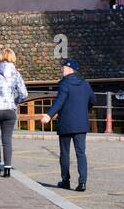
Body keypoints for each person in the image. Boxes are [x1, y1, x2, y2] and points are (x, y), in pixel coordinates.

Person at [40, 58, 94, 191]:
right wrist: (84, 110)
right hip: (81, 124)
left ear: (70, 69)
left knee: (65, 153)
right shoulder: (85, 84)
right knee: (81, 153)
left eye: (63, 67)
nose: (61, 69)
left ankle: (65, 180)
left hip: (66, 123)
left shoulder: (64, 84)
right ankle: (82, 183)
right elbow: (93, 100)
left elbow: (60, 100)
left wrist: (49, 115)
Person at [0, 47, 28, 177]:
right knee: (7, 140)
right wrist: (15, 100)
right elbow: (24, 93)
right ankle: (7, 169)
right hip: (9, 109)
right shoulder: (16, 73)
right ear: (12, 57)